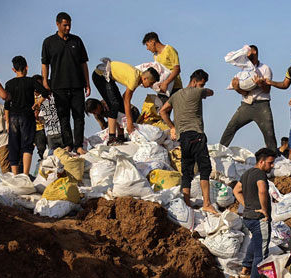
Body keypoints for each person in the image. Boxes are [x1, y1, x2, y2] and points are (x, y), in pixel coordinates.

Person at [159, 69, 218, 214]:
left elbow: (162, 111)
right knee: (205, 169)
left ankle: (187, 203)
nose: (203, 86)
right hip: (196, 135)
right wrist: (205, 90)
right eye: (202, 83)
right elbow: (211, 92)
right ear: (194, 82)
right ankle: (207, 204)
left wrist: (172, 127)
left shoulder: (175, 95)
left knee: (187, 171)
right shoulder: (197, 92)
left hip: (183, 138)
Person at [41, 12, 90, 154]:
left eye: (69, 24)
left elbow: (83, 63)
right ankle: (68, 144)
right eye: (65, 25)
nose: (68, 28)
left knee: (79, 116)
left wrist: (87, 83)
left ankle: (79, 145)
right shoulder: (48, 42)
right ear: (57, 24)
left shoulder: (77, 41)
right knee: (63, 117)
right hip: (58, 86)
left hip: (77, 84)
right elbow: (45, 64)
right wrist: (45, 81)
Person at [232, 148, 277, 278]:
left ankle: (245, 267)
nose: (272, 166)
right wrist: (265, 211)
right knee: (261, 254)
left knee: (255, 241)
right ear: (261, 161)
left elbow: (236, 190)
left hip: (248, 217)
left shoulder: (247, 173)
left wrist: (247, 206)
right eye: (270, 163)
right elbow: (263, 191)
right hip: (259, 219)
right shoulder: (260, 174)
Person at [219, 45, 277, 152]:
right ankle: (219, 151)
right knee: (231, 127)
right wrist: (237, 88)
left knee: (269, 134)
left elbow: (267, 90)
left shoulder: (265, 69)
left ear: (254, 52)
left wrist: (260, 84)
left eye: (248, 52)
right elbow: (244, 92)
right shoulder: (244, 69)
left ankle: (274, 158)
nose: (245, 54)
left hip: (262, 105)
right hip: (246, 105)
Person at [4, 56, 49, 175]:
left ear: (14, 70)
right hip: (27, 117)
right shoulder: (31, 81)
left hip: (13, 117)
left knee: (13, 146)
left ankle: (14, 176)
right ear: (26, 67)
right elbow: (45, 92)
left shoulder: (9, 83)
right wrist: (38, 103)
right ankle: (25, 174)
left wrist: (7, 122)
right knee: (27, 146)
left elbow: (7, 104)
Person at [93, 60, 159, 140]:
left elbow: (125, 98)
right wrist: (129, 123)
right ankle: (112, 137)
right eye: (151, 83)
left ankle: (121, 136)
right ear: (145, 79)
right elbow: (127, 101)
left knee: (119, 104)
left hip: (107, 77)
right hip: (100, 75)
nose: (150, 86)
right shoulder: (134, 79)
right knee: (114, 104)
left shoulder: (137, 78)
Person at [142, 32, 183, 97]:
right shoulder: (155, 56)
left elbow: (177, 69)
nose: (147, 48)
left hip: (175, 87)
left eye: (147, 45)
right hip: (163, 89)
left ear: (152, 41)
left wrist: (166, 82)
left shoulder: (169, 49)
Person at [32, 75, 48, 160]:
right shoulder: (29, 97)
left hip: (43, 127)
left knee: (43, 149)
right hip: (31, 127)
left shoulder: (46, 97)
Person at [0, 97, 10, 173]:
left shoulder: (1, 105)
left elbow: (8, 118)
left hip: (2, 138)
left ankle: (8, 182)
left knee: (5, 165)